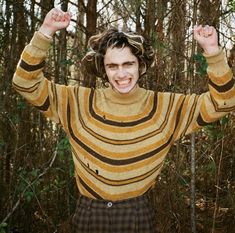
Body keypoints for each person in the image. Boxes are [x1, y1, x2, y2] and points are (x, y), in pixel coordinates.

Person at [13, 8, 235, 233]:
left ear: (141, 65)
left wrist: (212, 51)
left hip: (136, 214)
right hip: (89, 213)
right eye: (112, 66)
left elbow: (224, 102)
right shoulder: (77, 102)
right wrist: (46, 31)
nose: (121, 74)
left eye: (128, 64)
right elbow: (24, 83)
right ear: (104, 69)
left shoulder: (166, 108)